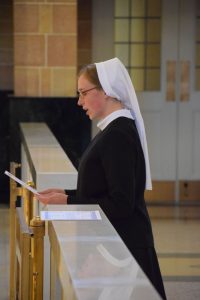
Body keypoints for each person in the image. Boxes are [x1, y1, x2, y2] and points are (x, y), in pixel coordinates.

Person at [37, 57, 166, 299]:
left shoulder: (118, 135)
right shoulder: (112, 130)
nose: (79, 101)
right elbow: (102, 191)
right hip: (116, 245)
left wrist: (67, 202)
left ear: (106, 91)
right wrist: (66, 195)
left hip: (126, 249)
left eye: (83, 93)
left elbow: (121, 204)